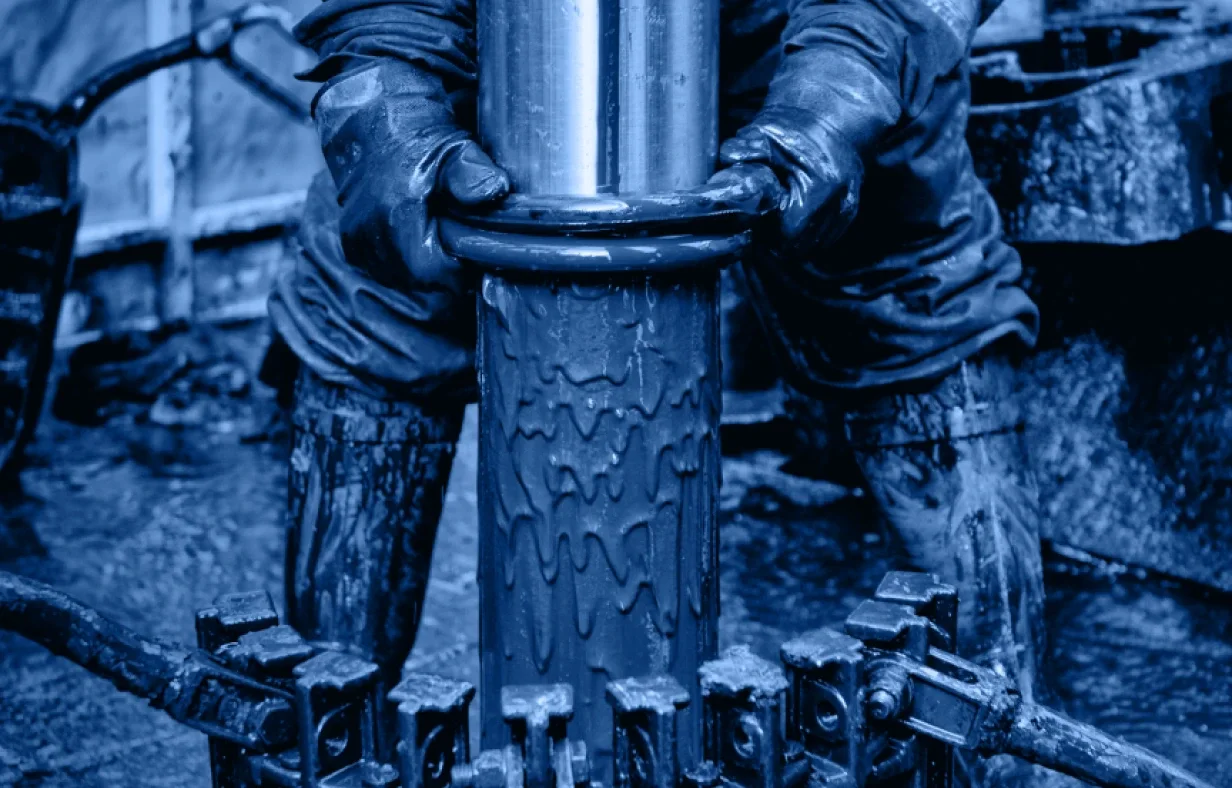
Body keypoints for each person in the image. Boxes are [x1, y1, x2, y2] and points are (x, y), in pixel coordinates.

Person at [268, 0, 1047, 779]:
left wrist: (846, 74)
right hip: (496, 34)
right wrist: (382, 62)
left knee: (914, 291)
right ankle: (325, 743)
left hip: (791, 23)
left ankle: (997, 736)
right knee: (374, 296)